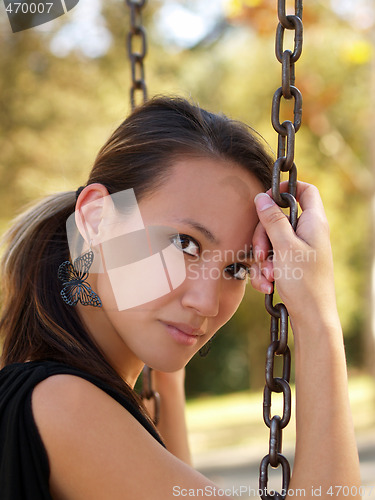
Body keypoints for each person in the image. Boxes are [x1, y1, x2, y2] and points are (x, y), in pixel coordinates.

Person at [0, 96, 360, 499]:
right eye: (184, 244)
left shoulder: (63, 398)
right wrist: (317, 317)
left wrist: (167, 380)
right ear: (96, 218)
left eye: (237, 268)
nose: (207, 304)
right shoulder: (62, 404)